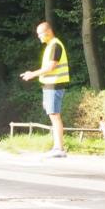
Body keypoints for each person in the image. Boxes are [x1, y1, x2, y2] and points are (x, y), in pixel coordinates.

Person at [20, 21, 70, 158]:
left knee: (55, 116)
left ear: (48, 32)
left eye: (40, 34)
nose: (39, 37)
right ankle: (57, 147)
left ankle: (59, 148)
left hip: (54, 85)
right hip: (50, 85)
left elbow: (51, 67)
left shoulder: (55, 45)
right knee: (53, 115)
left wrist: (32, 74)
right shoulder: (51, 46)